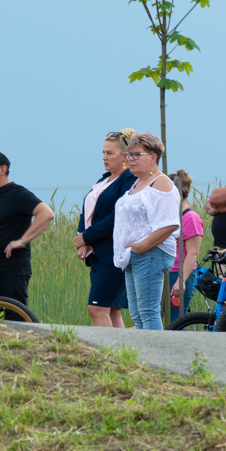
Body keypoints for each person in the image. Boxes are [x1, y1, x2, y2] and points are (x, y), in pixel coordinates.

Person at [113, 133, 182, 330]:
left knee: (148, 312)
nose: (130, 160)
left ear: (153, 157)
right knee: (137, 314)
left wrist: (142, 246)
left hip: (151, 252)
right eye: (129, 155)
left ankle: (157, 357)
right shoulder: (137, 182)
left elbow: (170, 224)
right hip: (132, 255)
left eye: (136, 155)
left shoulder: (160, 182)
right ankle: (142, 358)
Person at [0, 150, 55, 308]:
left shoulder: (17, 194)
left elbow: (46, 213)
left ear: (2, 169)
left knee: (14, 320)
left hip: (11, 271)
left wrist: (22, 241)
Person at [74, 129, 137, 328]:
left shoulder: (128, 180)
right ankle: (123, 355)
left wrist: (87, 236)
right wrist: (81, 236)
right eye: (103, 152)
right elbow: (89, 208)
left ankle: (104, 354)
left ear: (125, 156)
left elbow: (118, 215)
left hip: (113, 253)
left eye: (110, 153)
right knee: (112, 309)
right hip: (98, 253)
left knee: (96, 308)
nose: (104, 157)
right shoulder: (104, 179)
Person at [168, 170, 203, 322]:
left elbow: (193, 254)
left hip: (180, 274)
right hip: (167, 272)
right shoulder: (170, 217)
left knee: (176, 321)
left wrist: (181, 280)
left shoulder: (190, 218)